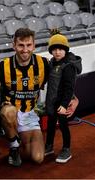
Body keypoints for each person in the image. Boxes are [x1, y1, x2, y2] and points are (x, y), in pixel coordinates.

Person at [0, 28, 79, 167]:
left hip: (31, 115)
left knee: (37, 158)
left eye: (29, 45)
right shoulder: (2, 66)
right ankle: (13, 146)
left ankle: (21, 143)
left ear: (34, 46)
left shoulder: (44, 64)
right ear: (14, 45)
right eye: (21, 45)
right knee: (7, 111)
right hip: (13, 115)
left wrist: (74, 98)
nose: (25, 49)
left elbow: (58, 83)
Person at [45, 30, 82, 163]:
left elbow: (69, 88)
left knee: (63, 126)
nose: (57, 52)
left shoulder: (68, 66)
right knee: (50, 125)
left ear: (65, 50)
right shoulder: (52, 63)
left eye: (60, 49)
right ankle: (49, 146)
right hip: (51, 101)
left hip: (62, 103)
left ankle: (66, 149)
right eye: (54, 49)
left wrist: (64, 105)